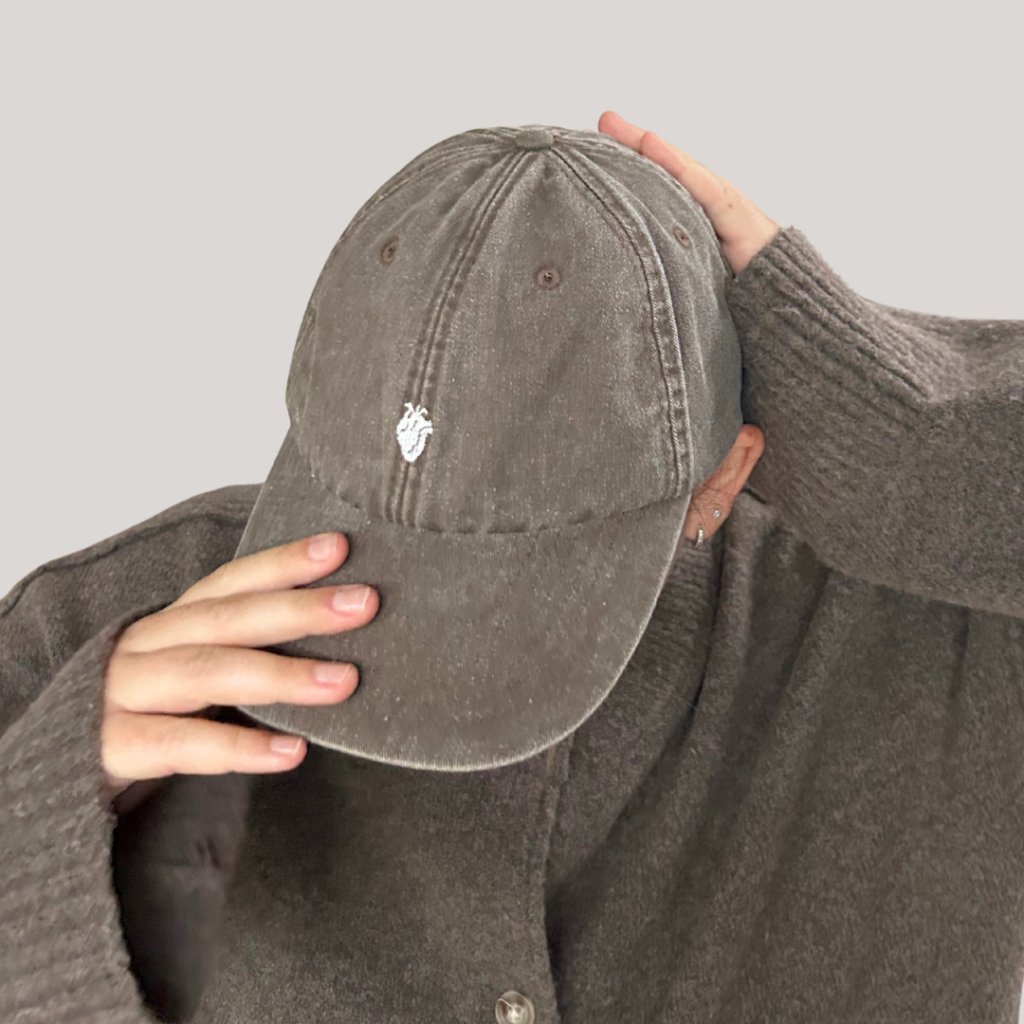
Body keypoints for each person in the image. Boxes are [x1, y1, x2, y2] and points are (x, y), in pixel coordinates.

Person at [1, 112, 1022, 1024]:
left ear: (725, 477)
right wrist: (36, 830)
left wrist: (915, 430)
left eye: (518, 555)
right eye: (376, 505)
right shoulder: (101, 637)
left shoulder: (939, 637)